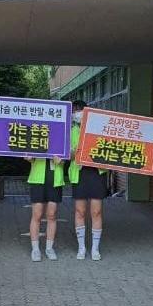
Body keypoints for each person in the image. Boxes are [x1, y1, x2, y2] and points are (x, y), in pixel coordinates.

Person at [69, 100, 108, 261]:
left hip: (96, 173)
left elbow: (109, 151)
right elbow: (67, 155)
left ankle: (95, 249)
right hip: (79, 173)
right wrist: (75, 152)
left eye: (80, 110)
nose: (77, 114)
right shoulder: (71, 130)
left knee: (96, 211)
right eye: (75, 111)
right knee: (80, 211)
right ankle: (81, 247)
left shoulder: (100, 128)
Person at [27, 155, 65, 262]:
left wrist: (62, 160)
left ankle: (49, 248)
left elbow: (68, 156)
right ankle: (35, 249)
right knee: (37, 215)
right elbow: (29, 153)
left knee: (52, 215)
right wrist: (29, 157)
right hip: (37, 179)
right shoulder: (38, 137)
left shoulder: (61, 138)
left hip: (55, 179)